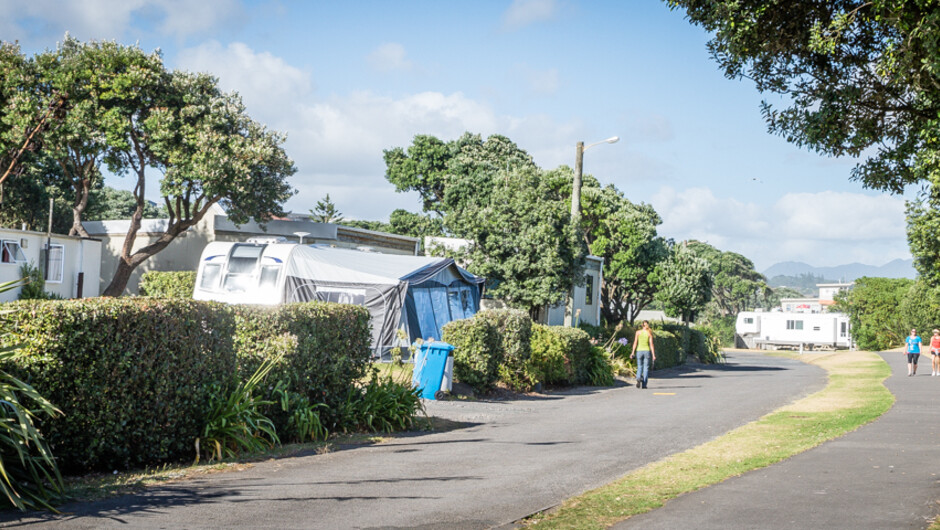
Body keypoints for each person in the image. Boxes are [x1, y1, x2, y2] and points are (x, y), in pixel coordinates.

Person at [630, 320, 656, 389]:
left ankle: (638, 378)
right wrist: (653, 355)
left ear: (642, 325)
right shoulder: (649, 333)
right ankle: (644, 384)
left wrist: (632, 352)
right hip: (646, 351)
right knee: (646, 368)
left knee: (639, 366)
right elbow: (651, 345)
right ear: (648, 325)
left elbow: (635, 343)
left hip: (639, 351)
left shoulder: (638, 332)